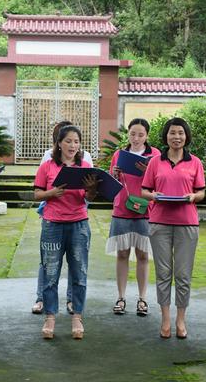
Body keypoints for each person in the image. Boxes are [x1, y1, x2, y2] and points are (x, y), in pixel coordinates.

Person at [141, 117, 205, 339]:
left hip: (187, 223)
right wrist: (154, 195)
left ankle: (181, 320)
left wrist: (193, 197)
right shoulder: (155, 162)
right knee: (163, 273)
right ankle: (165, 319)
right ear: (166, 136)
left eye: (180, 133)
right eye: (172, 133)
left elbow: (201, 192)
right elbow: (144, 191)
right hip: (159, 223)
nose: (176, 137)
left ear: (186, 136)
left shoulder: (195, 162)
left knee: (183, 274)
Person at [34, 125, 99, 339]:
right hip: (52, 225)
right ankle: (50, 317)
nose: (73, 145)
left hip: (79, 225)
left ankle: (77, 317)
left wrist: (91, 189)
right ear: (59, 143)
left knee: (80, 273)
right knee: (50, 272)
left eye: (76, 142)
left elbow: (89, 198)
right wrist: (51, 193)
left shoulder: (86, 166)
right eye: (68, 141)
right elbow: (37, 194)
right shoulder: (47, 166)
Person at [106, 118, 161, 316]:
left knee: (143, 255)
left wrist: (150, 173)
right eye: (132, 134)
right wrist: (114, 174)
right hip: (122, 208)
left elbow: (162, 183)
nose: (136, 138)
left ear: (147, 136)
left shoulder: (155, 155)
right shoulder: (119, 154)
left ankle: (142, 299)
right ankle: (121, 297)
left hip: (146, 210)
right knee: (122, 254)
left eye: (140, 134)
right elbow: (112, 183)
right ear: (127, 134)